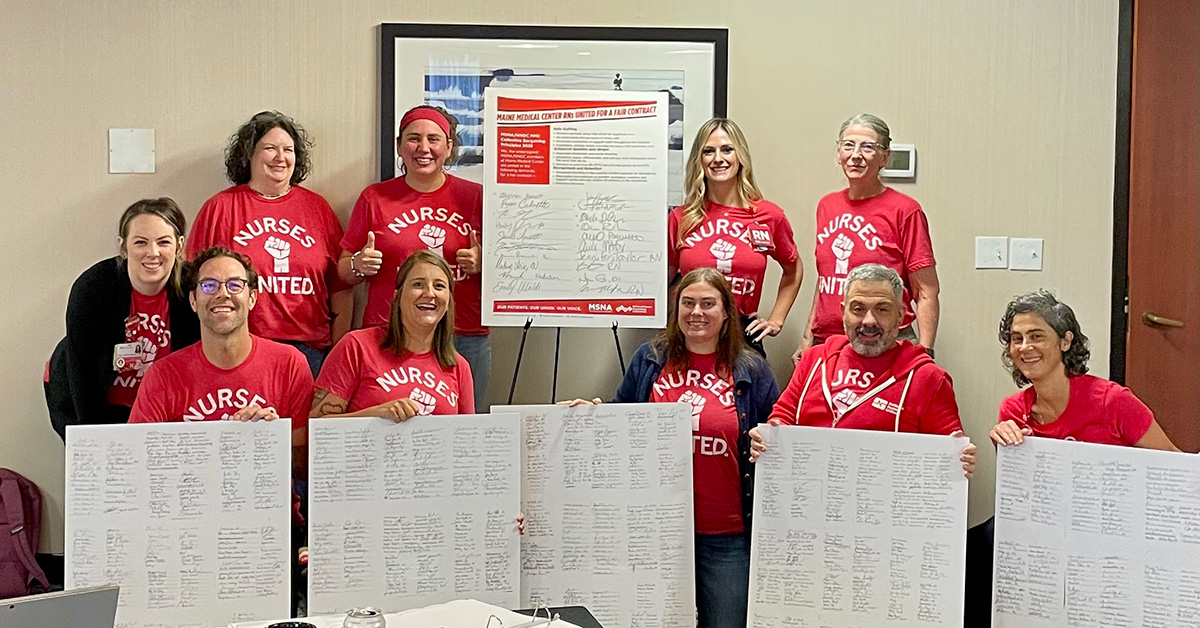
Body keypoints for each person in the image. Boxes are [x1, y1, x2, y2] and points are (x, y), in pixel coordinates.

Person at [565, 268, 779, 628]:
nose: (696, 312)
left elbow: (777, 429)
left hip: (726, 535)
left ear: (727, 312)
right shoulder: (650, 359)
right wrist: (593, 417)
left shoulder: (751, 369)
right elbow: (623, 420)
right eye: (688, 303)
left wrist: (768, 441)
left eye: (708, 304)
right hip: (657, 530)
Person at [752, 264, 976, 478]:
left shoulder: (928, 378)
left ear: (900, 316)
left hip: (886, 508)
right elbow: (783, 416)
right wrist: (769, 438)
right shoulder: (813, 360)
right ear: (843, 313)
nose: (869, 321)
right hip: (809, 499)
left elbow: (948, 456)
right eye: (858, 309)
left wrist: (958, 459)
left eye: (882, 309)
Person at [339, 105, 490, 409]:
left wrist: (484, 263)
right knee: (390, 426)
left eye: (434, 139)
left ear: (448, 147)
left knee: (464, 435)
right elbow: (343, 272)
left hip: (462, 335)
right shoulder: (375, 198)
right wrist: (358, 264)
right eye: (413, 139)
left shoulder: (477, 197)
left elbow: (513, 271)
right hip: (388, 335)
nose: (423, 148)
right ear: (399, 146)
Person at [188, 111, 350, 377]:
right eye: (269, 148)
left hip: (308, 352)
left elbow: (340, 287)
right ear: (248, 154)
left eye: (288, 149)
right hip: (241, 349)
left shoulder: (317, 208)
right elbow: (194, 282)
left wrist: (336, 354)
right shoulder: (221, 208)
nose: (280, 157)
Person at [128, 248, 313, 471]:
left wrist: (272, 438)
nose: (223, 293)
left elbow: (306, 468)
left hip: (268, 503)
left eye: (235, 284)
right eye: (209, 285)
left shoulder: (291, 364)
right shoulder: (162, 376)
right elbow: (138, 463)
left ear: (252, 298)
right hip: (192, 502)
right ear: (194, 301)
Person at [793, 114, 940, 363]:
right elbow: (825, 280)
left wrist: (924, 354)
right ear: (838, 151)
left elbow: (926, 291)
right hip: (827, 342)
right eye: (848, 145)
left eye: (868, 147)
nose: (856, 154)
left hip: (883, 341)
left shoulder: (904, 210)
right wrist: (807, 338)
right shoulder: (827, 206)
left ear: (884, 157)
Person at [52, 198, 200, 433]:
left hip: (163, 409)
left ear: (179, 245)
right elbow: (81, 372)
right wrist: (91, 438)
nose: (153, 253)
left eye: (163, 242)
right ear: (123, 247)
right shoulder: (94, 286)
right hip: (96, 400)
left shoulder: (193, 287)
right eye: (140, 242)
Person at [668, 118, 802, 357]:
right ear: (699, 160)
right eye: (708, 151)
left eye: (727, 149)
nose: (718, 158)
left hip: (743, 335)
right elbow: (665, 282)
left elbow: (793, 269)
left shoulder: (768, 216)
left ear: (740, 156)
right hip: (691, 332)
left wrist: (776, 320)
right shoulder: (681, 218)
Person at [990, 290, 1180, 450]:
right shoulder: (1013, 411)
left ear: (1065, 341)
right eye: (1017, 339)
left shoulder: (1113, 401)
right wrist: (1003, 447)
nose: (1024, 347)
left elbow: (1174, 463)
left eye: (1036, 336)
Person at [312, 250, 474, 419]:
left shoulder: (459, 367)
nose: (429, 293)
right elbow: (317, 427)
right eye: (418, 284)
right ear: (397, 296)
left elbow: (468, 438)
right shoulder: (357, 346)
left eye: (439, 286)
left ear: (448, 301)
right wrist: (377, 414)